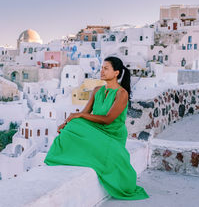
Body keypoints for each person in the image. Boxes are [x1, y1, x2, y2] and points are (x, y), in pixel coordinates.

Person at [44, 56, 149, 200]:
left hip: (112, 133)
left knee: (77, 121)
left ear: (116, 72)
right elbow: (85, 113)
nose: (102, 71)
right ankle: (62, 157)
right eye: (101, 68)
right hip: (97, 129)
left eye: (106, 68)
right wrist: (68, 121)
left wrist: (77, 116)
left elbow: (108, 120)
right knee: (72, 125)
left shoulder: (121, 93)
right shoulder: (97, 90)